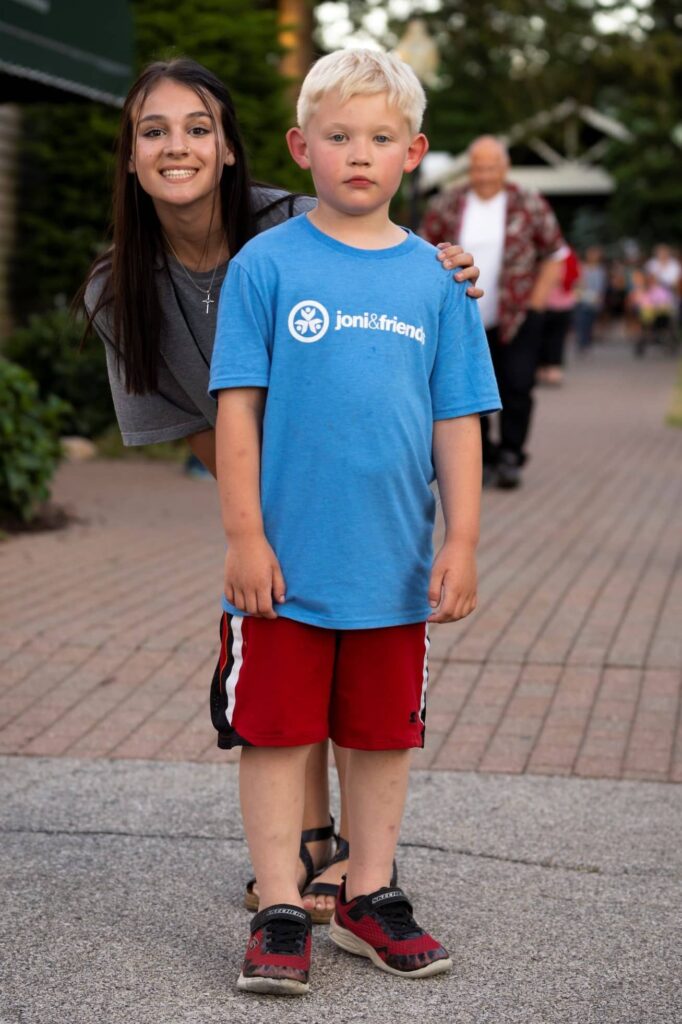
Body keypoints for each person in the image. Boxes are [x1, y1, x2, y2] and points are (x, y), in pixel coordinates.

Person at [81, 58, 483, 923]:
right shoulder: (118, 288)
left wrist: (445, 266)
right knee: (283, 668)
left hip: (365, 506)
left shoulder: (293, 220)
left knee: (358, 677)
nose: (176, 146)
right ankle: (299, 857)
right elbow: (186, 420)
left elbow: (378, 241)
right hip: (263, 483)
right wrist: (254, 519)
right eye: (153, 131)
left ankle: (343, 860)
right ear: (129, 155)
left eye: (198, 127)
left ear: (231, 148)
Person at [209, 48, 501, 995]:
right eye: (338, 136)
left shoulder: (433, 281)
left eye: (380, 137)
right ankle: (284, 905)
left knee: (381, 738)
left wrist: (461, 542)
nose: (358, 154)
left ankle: (369, 896)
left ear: (414, 152)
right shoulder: (267, 264)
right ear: (302, 149)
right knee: (277, 735)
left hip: (391, 567)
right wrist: (245, 535)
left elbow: (458, 420)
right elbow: (237, 411)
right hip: (286, 569)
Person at [420, 135, 566, 489]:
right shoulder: (449, 203)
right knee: (469, 389)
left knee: (517, 385)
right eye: (478, 168)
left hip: (517, 315)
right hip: (462, 316)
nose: (484, 175)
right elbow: (423, 248)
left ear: (505, 167)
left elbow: (556, 255)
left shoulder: (528, 203)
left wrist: (536, 303)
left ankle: (512, 455)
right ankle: (483, 456)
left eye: (491, 168)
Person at [537, 246, 580, 386]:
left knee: (543, 337)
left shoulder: (548, 255)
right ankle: (554, 369)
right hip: (565, 304)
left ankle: (543, 369)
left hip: (546, 303)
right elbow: (577, 277)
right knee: (558, 338)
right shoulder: (570, 256)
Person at [573, 245, 607, 353]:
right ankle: (582, 343)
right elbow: (578, 283)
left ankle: (587, 342)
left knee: (590, 323)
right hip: (583, 298)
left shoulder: (601, 270)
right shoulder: (582, 268)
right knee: (582, 321)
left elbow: (602, 286)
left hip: (595, 300)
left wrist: (600, 297)